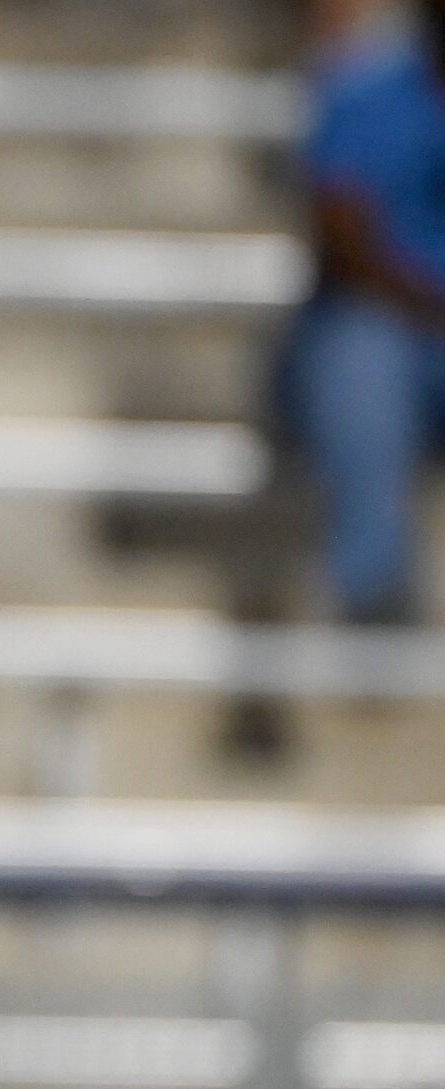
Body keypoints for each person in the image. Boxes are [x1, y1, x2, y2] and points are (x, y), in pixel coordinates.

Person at [291, 0, 445, 623]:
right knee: (362, 354)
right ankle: (371, 595)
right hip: (380, 332)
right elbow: (343, 241)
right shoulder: (365, 91)